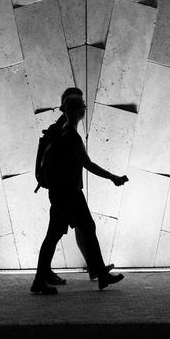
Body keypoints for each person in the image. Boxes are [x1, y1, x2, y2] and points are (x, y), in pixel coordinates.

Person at [31, 88, 128, 295]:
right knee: (54, 235)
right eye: (83, 106)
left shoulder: (63, 130)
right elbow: (88, 164)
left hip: (66, 193)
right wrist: (113, 177)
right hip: (68, 195)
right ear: (80, 111)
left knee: (84, 228)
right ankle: (39, 280)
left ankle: (101, 275)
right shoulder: (71, 136)